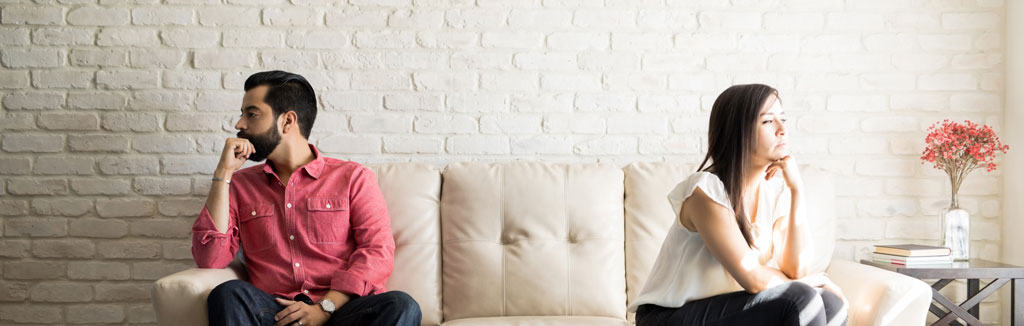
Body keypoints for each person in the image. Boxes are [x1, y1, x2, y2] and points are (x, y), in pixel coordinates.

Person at [191, 70, 422, 326]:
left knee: (401, 306)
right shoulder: (240, 185)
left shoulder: (354, 178)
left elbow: (376, 251)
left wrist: (325, 307)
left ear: (288, 121)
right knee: (228, 294)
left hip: (340, 312)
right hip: (273, 313)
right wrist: (223, 174)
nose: (240, 125)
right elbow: (210, 258)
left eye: (251, 114)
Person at [629, 84, 848, 326]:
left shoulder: (774, 192)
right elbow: (753, 278)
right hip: (669, 317)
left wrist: (796, 190)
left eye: (783, 119)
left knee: (830, 303)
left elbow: (796, 269)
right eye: (767, 122)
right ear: (739, 132)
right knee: (800, 298)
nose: (782, 130)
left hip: (728, 311)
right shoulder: (706, 190)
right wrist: (806, 283)